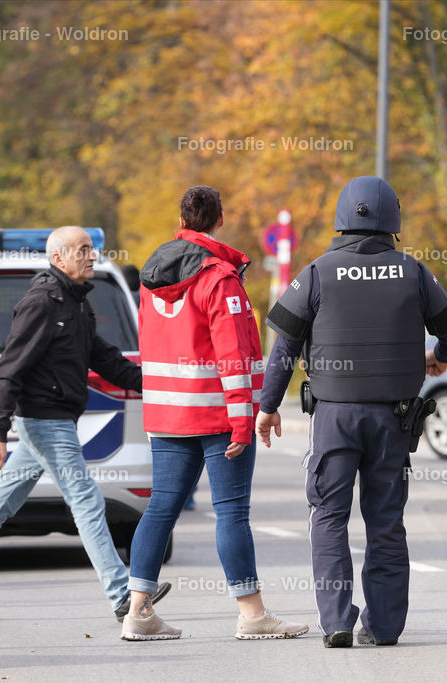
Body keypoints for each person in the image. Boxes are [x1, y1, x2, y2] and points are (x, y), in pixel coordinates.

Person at [257, 176, 447, 648]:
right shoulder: (412, 272)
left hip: (333, 419)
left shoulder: (316, 272)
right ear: (392, 219)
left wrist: (268, 407)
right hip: (394, 420)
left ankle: (336, 623)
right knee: (386, 522)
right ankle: (384, 626)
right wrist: (435, 356)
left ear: (341, 218)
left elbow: (285, 346)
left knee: (328, 516)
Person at [0, 227, 171, 623]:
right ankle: (123, 595)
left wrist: (158, 384)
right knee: (87, 500)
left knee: (2, 501)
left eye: (92, 250)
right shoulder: (42, 302)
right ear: (58, 259)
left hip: (53, 418)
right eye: (83, 251)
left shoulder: (75, 303)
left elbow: (106, 359)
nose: (92, 256)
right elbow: (8, 368)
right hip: (45, 419)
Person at [122, 186, 308, 641]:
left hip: (168, 415)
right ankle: (252, 615)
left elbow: (150, 343)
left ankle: (138, 613)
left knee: (161, 508)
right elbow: (233, 356)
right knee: (231, 513)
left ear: (181, 219)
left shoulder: (152, 274)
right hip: (217, 417)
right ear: (219, 220)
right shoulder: (219, 277)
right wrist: (246, 421)